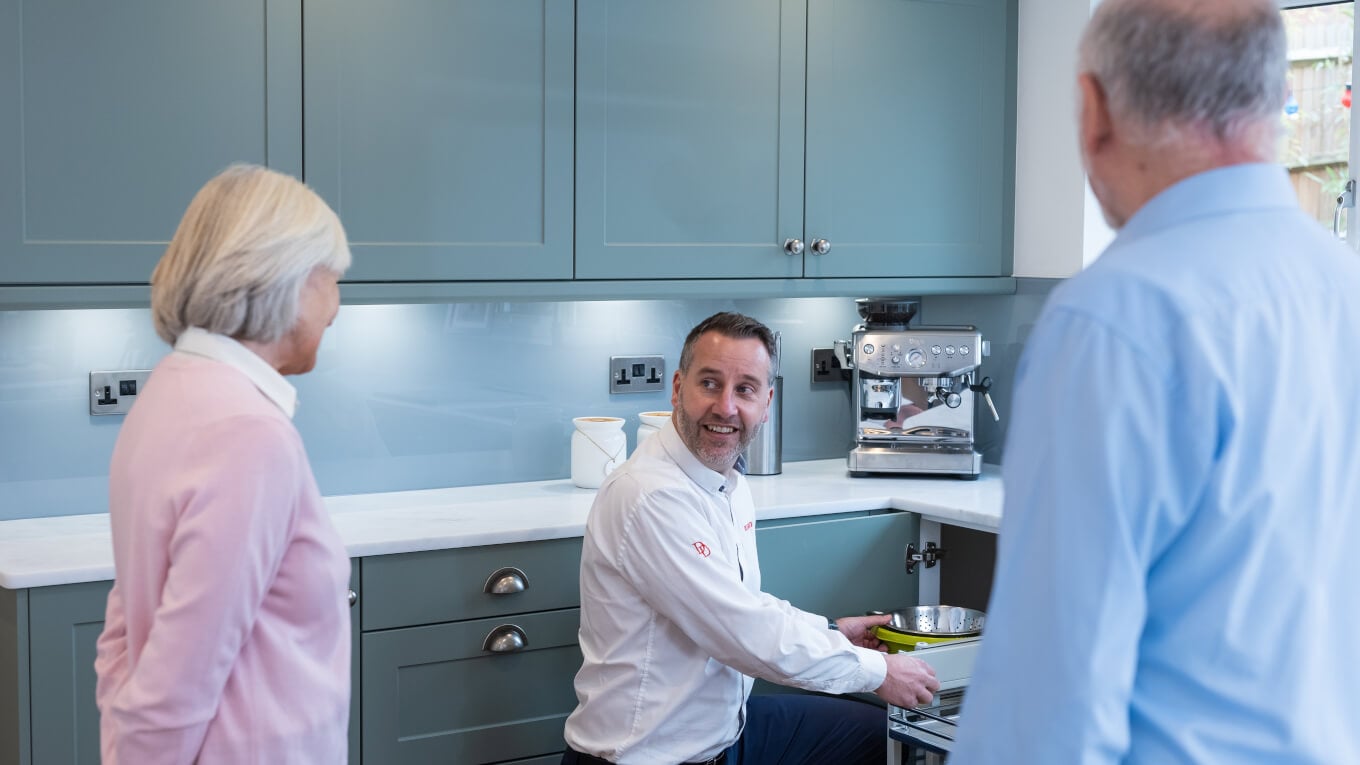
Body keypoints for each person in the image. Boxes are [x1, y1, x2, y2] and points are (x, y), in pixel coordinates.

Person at [950, 1, 1360, 762]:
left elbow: (1049, 705)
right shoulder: (1344, 288)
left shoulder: (1114, 320)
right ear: (1271, 102)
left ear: (1094, 109)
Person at [562, 311, 940, 765]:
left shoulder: (724, 482)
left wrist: (830, 631)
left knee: (875, 736)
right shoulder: (650, 496)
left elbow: (747, 605)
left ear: (767, 401)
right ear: (678, 388)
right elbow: (740, 632)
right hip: (646, 756)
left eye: (745, 389)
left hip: (724, 735)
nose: (726, 407)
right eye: (709, 383)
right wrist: (876, 672)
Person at [94, 164, 354, 764]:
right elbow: (175, 684)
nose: (338, 304)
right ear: (283, 278)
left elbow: (124, 634)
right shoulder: (249, 435)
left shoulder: (171, 392)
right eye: (332, 277)